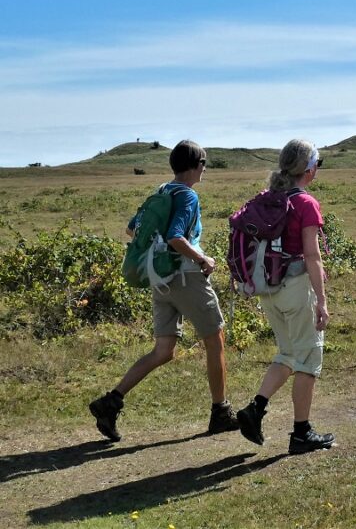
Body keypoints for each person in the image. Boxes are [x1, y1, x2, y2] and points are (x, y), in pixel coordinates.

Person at [89, 140, 238, 441]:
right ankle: (220, 412)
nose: (205, 169)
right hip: (185, 278)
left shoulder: (160, 192)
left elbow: (133, 229)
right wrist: (203, 258)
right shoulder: (188, 196)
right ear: (197, 165)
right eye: (204, 163)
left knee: (163, 350)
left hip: (161, 280)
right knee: (215, 339)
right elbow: (175, 237)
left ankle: (110, 401)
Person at [236, 139, 335, 455]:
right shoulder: (306, 203)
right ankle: (301, 433)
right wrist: (322, 301)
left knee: (289, 353)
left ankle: (256, 408)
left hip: (269, 288)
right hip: (295, 288)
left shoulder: (269, 198)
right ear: (309, 169)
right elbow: (312, 256)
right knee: (308, 359)